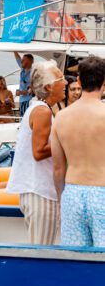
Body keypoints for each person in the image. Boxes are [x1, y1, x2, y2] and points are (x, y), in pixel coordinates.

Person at [6, 60, 66, 244]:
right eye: (61, 79)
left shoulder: (39, 108)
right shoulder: (43, 112)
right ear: (49, 87)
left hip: (37, 191)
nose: (65, 82)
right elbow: (38, 152)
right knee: (41, 253)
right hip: (40, 192)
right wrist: (66, 142)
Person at [52, 56, 105, 247]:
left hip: (73, 193)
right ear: (104, 82)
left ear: (80, 81)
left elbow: (58, 169)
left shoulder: (61, 118)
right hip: (102, 193)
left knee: (75, 260)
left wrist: (61, 199)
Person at [14, 52, 34, 117]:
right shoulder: (23, 68)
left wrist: (21, 92)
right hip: (21, 100)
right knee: (22, 118)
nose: (21, 61)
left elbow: (32, 90)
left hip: (28, 101)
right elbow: (18, 58)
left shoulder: (32, 74)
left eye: (23, 60)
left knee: (26, 119)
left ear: (29, 62)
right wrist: (14, 49)